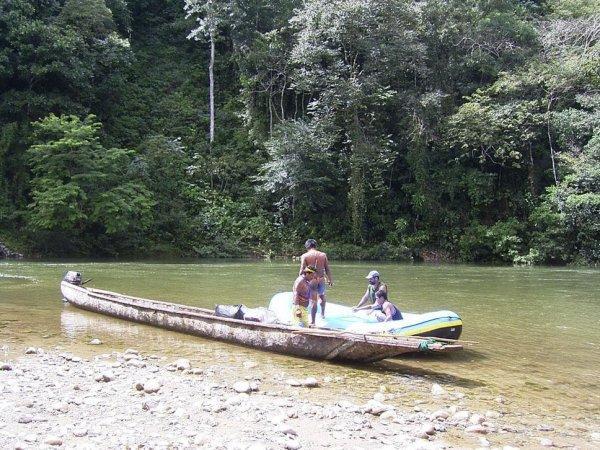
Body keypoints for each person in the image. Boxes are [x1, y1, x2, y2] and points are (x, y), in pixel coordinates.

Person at [299, 239, 333, 325]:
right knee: (321, 296)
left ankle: (313, 322)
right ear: (315, 246)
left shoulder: (305, 256)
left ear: (307, 247)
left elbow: (302, 269)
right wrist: (330, 280)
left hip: (312, 280)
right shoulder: (323, 255)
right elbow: (327, 269)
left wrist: (299, 280)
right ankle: (322, 314)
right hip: (321, 279)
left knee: (313, 300)